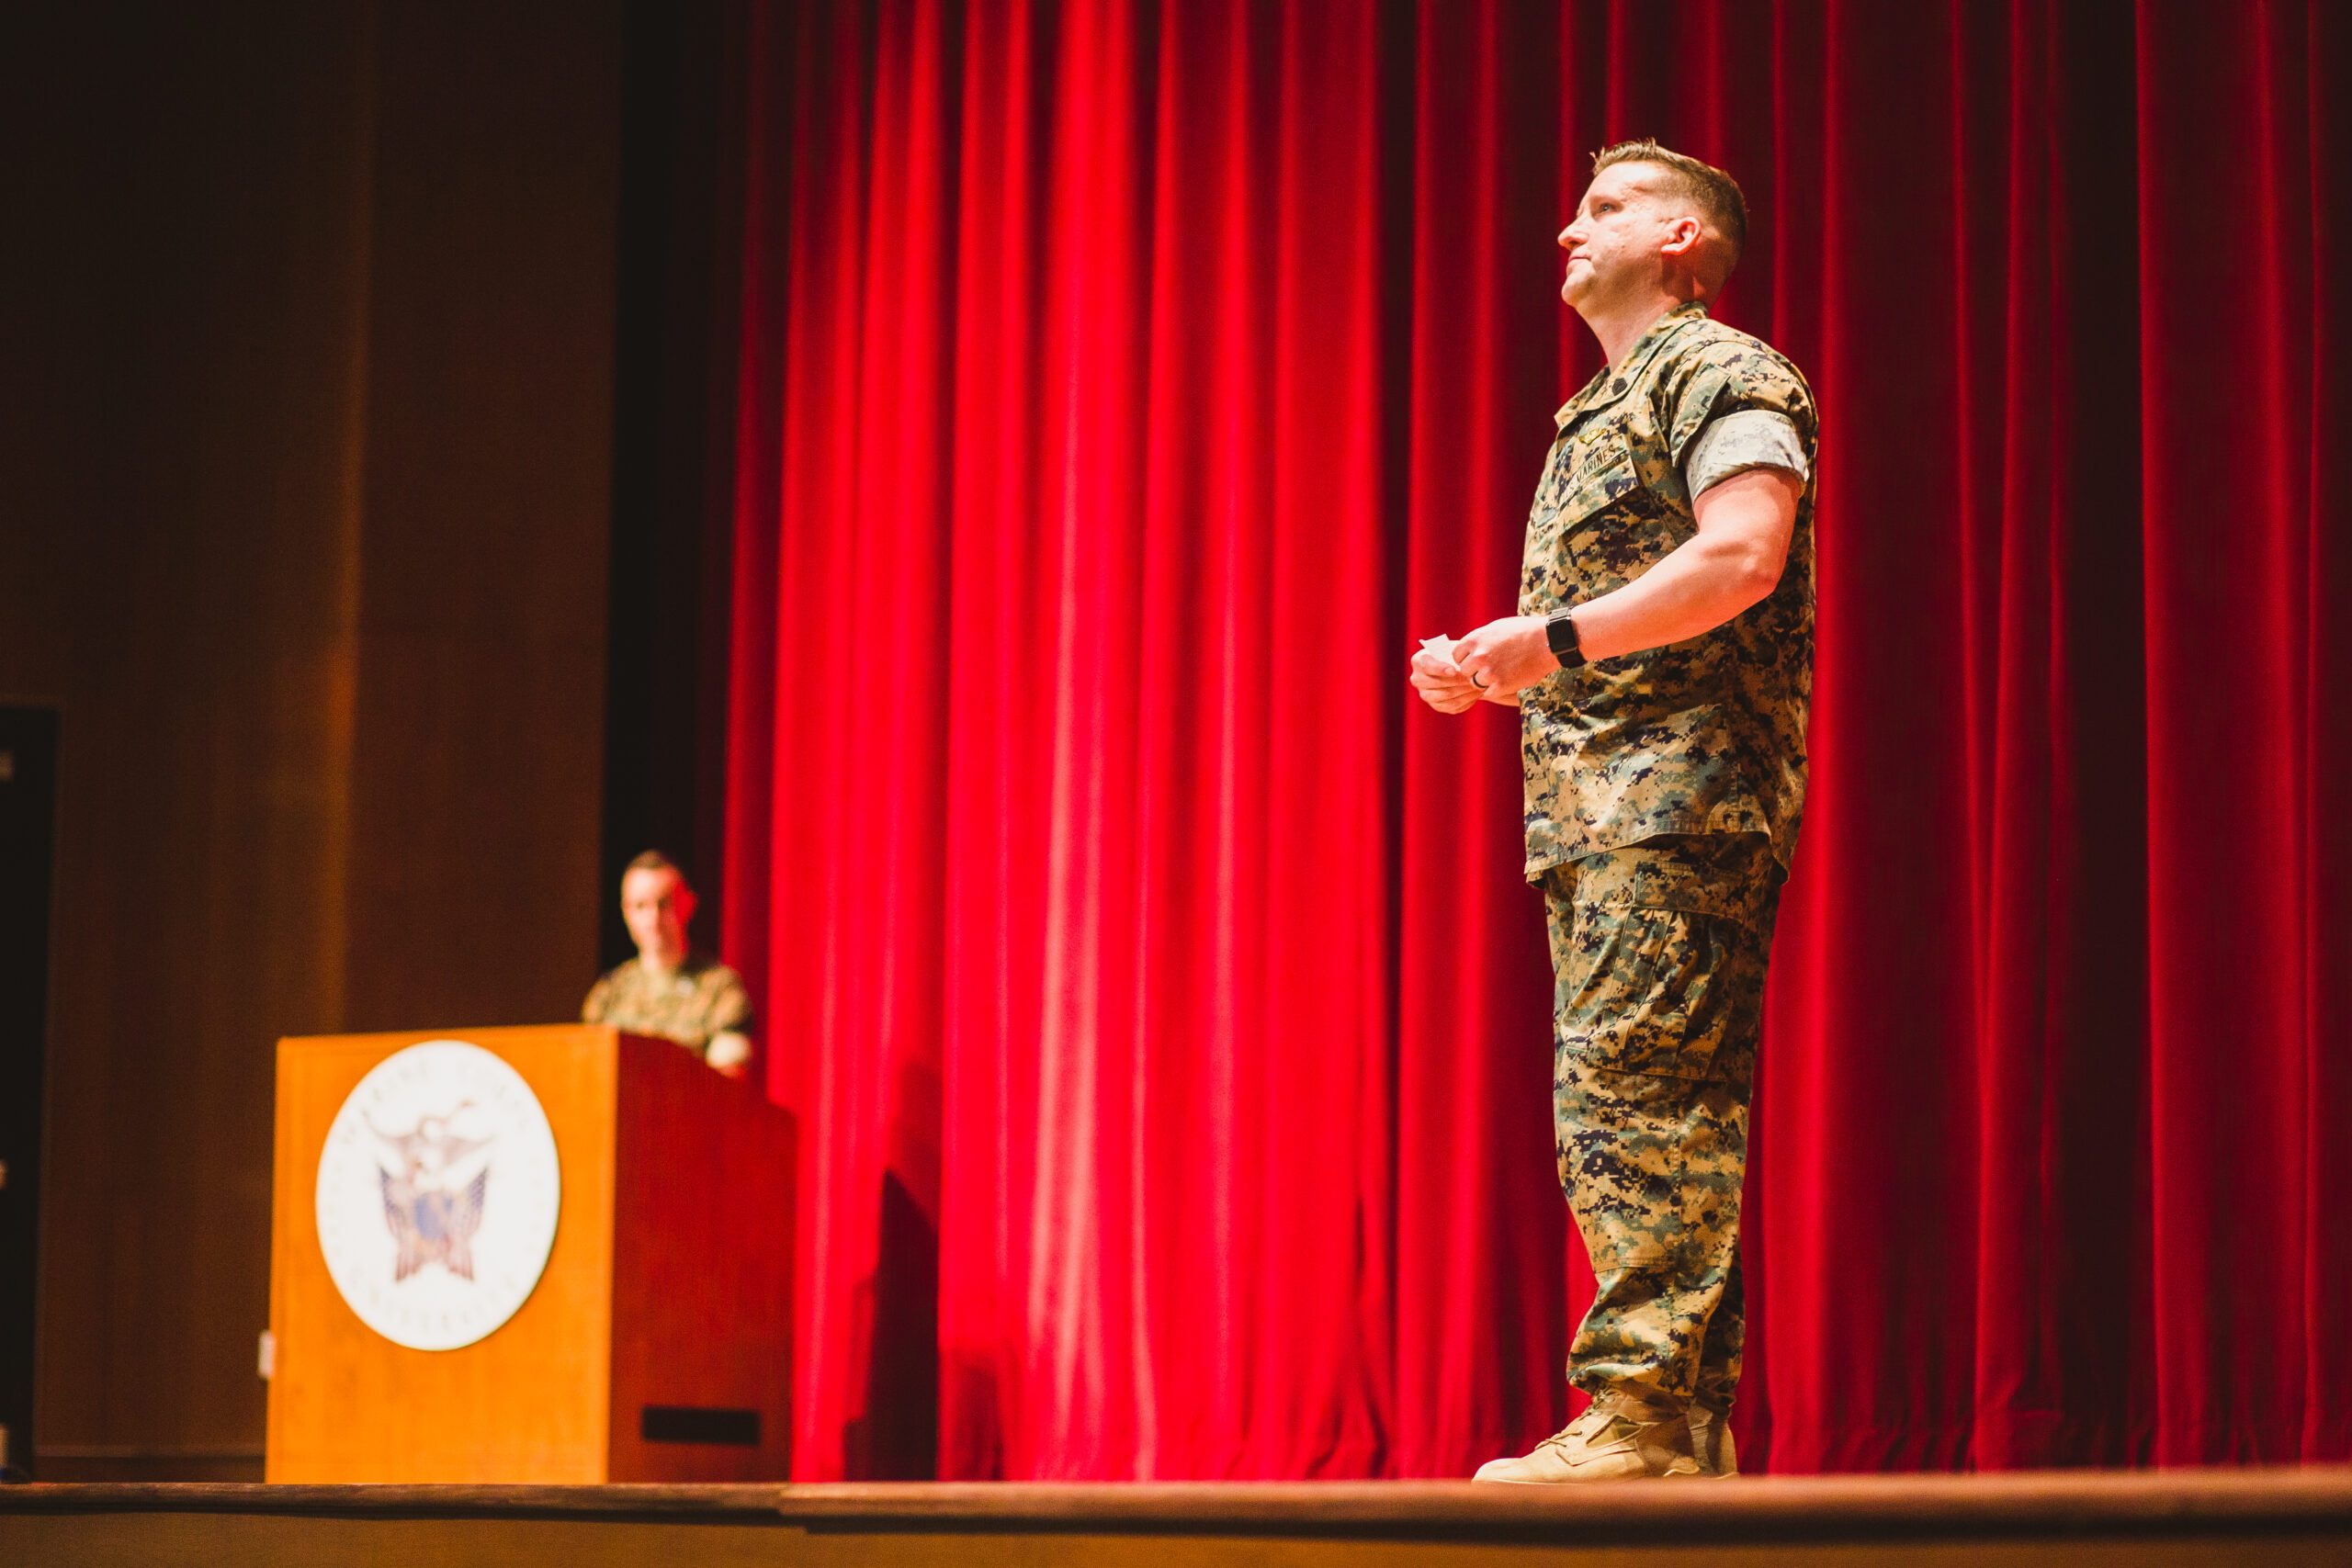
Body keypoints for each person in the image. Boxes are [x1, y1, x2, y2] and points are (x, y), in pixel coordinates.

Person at [1411, 140, 1816, 1483]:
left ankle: (1641, 1413)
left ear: (1687, 240)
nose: (1568, 230)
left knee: (1643, 1103)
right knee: (1630, 1102)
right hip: (1603, 815)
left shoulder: (1722, 369)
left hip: (1681, 802)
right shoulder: (1602, 408)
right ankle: (1673, 1425)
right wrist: (1492, 665)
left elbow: (1742, 554)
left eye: (1608, 208)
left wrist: (1556, 643)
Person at [582, 851, 754, 1077]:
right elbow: (588, 1068)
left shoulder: (720, 988)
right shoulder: (609, 992)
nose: (653, 920)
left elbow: (726, 1079)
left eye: (664, 904)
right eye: (640, 906)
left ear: (689, 904)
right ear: (626, 912)